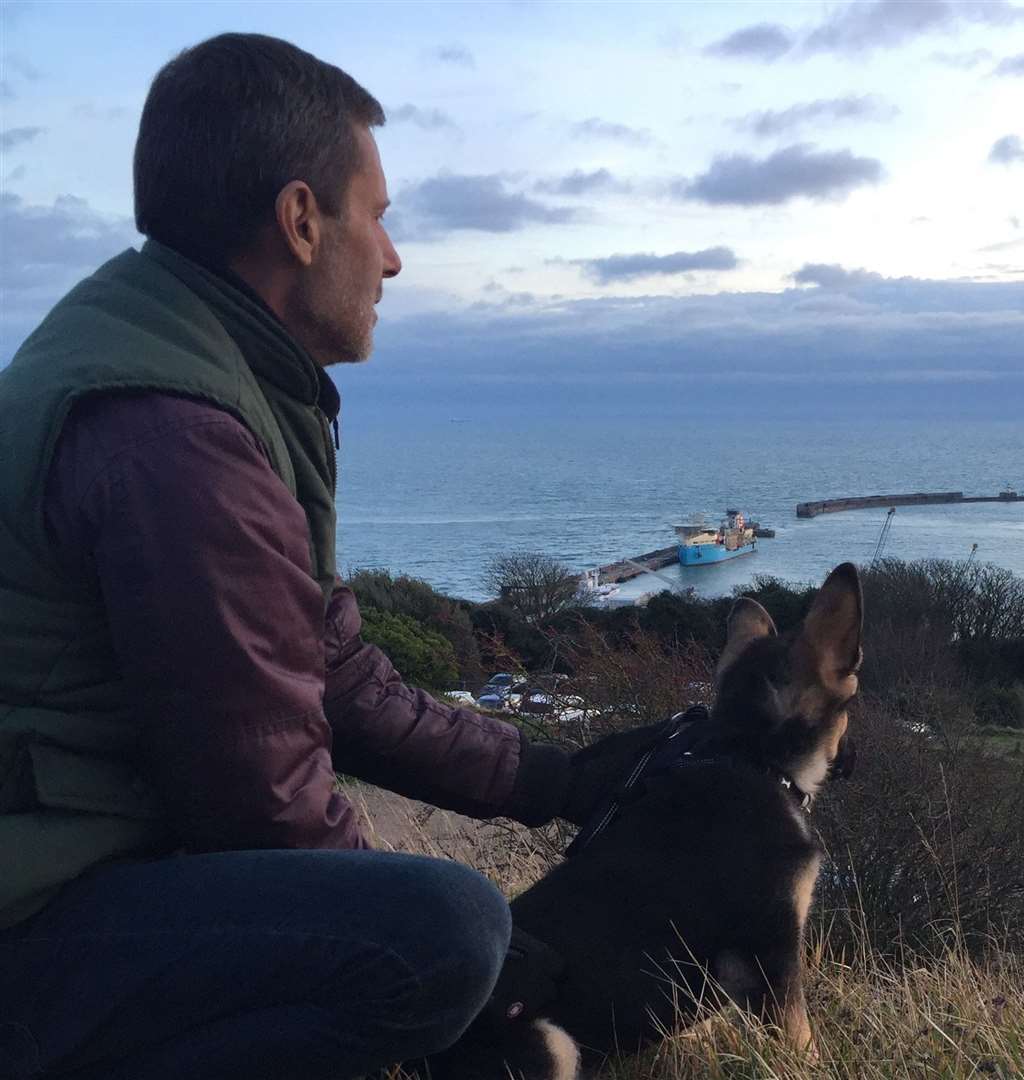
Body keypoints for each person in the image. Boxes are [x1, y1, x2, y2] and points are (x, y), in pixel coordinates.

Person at [0, 33, 604, 1080]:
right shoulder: (178, 431)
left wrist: (555, 776)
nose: (394, 256)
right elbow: (258, 794)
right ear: (300, 219)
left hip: (67, 873)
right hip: (34, 921)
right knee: (444, 930)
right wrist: (480, 972)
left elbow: (329, 680)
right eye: (379, 216)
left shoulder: (177, 351)